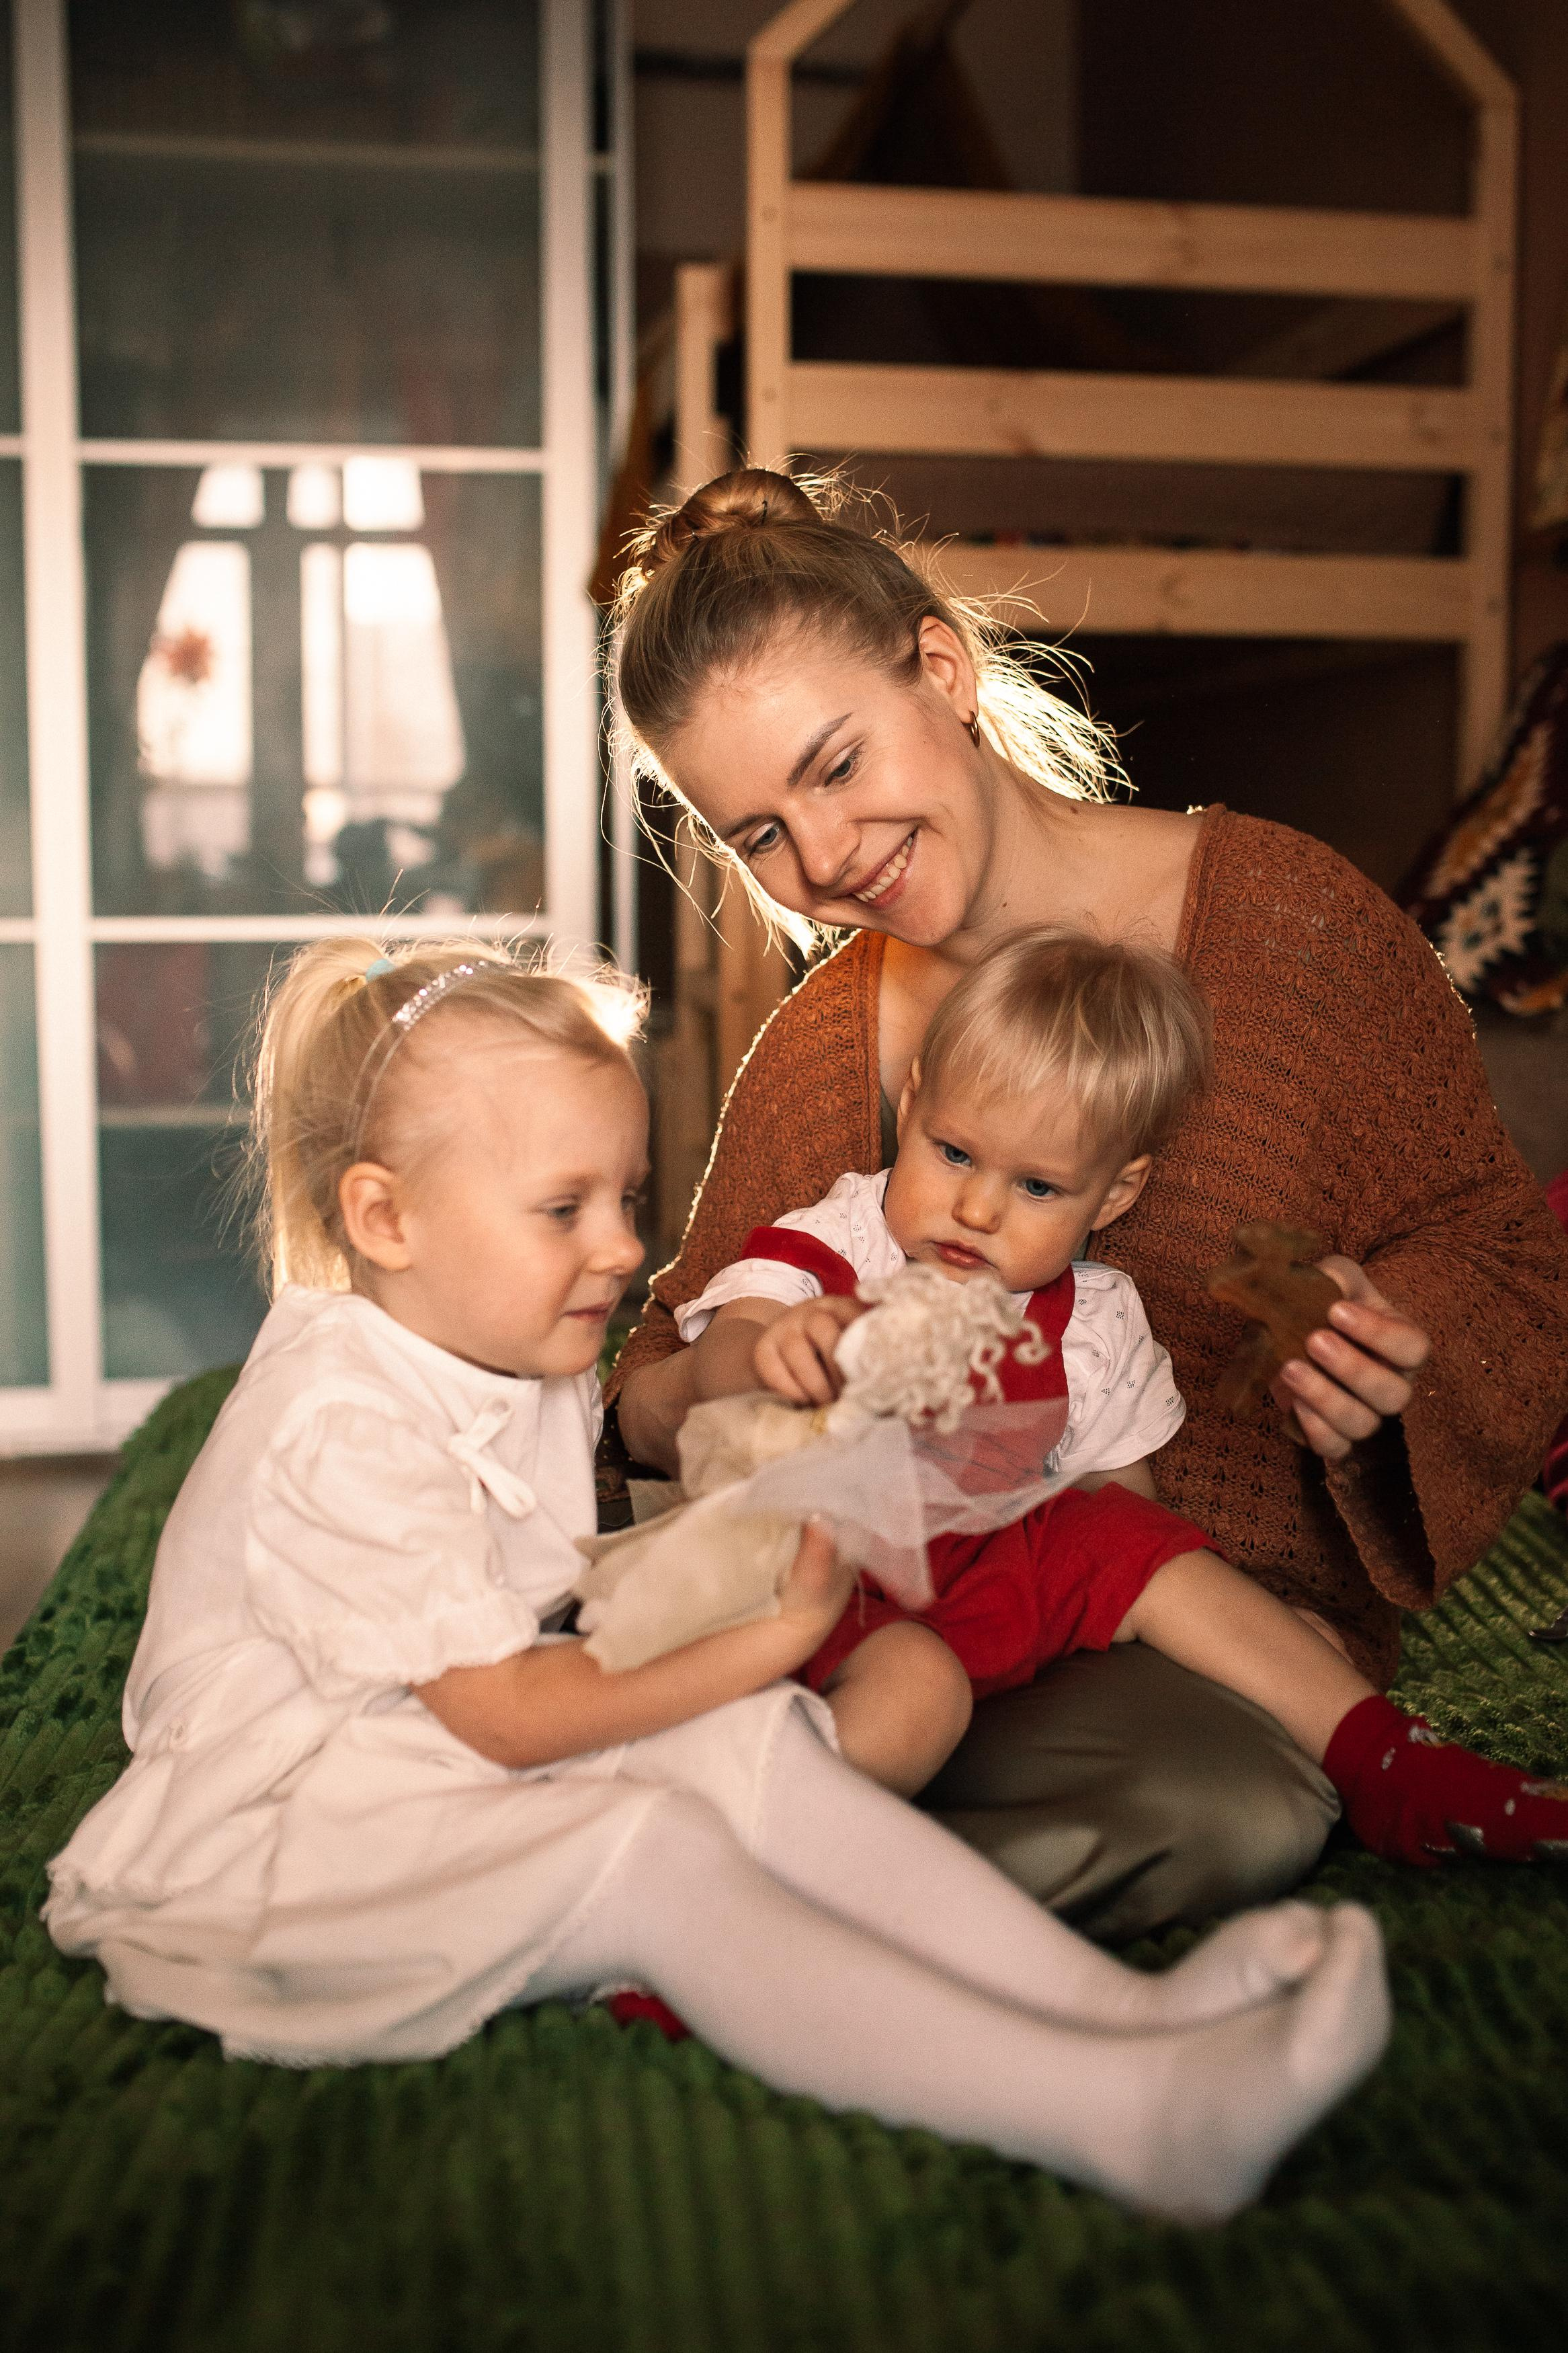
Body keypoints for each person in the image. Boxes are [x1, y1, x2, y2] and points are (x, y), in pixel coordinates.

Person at [42, 938, 1391, 2224]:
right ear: (384, 1220)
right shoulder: (335, 1417)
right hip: (292, 1830)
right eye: (566, 1209)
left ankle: (1128, 2014)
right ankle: (1128, 2115)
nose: (628, 1249)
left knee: (755, 1742)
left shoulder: (506, 1339)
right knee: (650, 1848)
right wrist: (786, 1625)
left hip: (420, 1746)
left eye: (625, 1198)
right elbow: (506, 1712)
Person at [608, 467, 1568, 1940]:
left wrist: (1398, 1348)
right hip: (884, 1617)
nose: (824, 856)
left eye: (839, 763)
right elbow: (660, 1368)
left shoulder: (1290, 925)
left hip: (1198, 1623)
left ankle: (726, 1887)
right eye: (759, 836)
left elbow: (1492, 1240)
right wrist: (706, 1387)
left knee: (1226, 1807)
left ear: (942, 666)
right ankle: (738, 1863)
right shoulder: (823, 1049)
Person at [675, 926, 1568, 1868]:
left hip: (984, 1591)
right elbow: (721, 1359)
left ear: (1112, 1194)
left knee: (1140, 1548)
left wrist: (1225, 1618)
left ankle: (1387, 1762)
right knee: (913, 1695)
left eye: (1036, 1185)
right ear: (910, 1105)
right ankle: (736, 1865)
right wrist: (783, 1351)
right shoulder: (840, 1239)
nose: (977, 1210)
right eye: (951, 1154)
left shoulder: (1094, 1320)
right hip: (819, 1574)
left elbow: (1123, 1524)